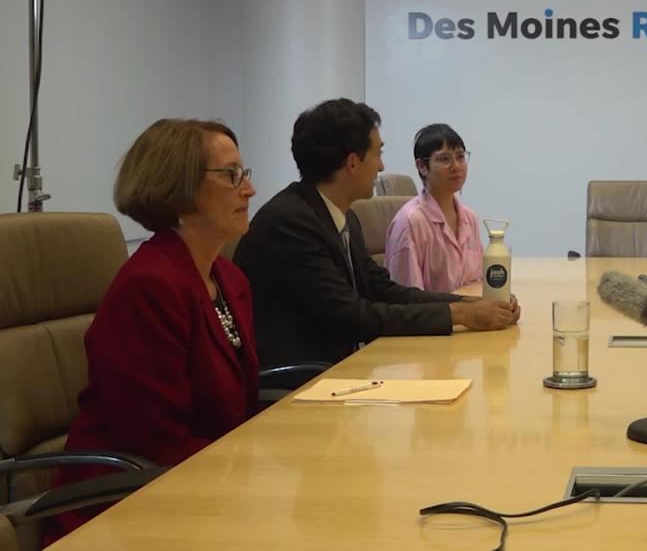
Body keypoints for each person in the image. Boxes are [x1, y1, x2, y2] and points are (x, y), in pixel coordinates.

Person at [46, 119, 259, 541]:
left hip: (212, 485)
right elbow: (156, 443)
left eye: (244, 174)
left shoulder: (229, 279)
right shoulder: (149, 287)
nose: (249, 190)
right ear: (180, 188)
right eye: (231, 176)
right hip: (130, 501)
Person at [234, 98, 518, 368]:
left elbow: (383, 289)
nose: (382, 166)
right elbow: (351, 316)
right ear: (353, 163)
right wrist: (462, 314)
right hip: (303, 381)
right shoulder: (291, 223)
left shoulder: (341, 215)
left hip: (339, 371)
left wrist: (473, 304)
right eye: (378, 153)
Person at [385, 124, 483, 291]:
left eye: (460, 157)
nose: (456, 166)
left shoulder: (470, 218)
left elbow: (477, 281)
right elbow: (407, 302)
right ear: (422, 166)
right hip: (435, 316)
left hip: (468, 313)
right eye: (444, 159)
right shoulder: (409, 222)